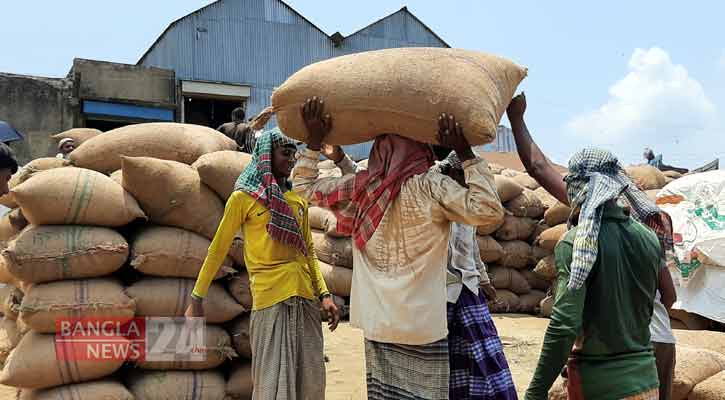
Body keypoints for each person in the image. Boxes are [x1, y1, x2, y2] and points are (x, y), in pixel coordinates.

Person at [293, 97, 504, 400]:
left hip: (378, 322)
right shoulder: (430, 187)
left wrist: (313, 143)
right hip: (422, 324)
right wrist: (466, 153)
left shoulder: (362, 188)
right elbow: (488, 209)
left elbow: (302, 188)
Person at [507, 93, 677, 400]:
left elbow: (564, 325)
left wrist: (534, 393)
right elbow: (670, 295)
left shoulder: (577, 242)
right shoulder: (648, 236)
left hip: (601, 385)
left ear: (579, 186)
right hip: (645, 378)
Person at [185, 128, 340, 400]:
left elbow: (308, 253)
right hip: (270, 300)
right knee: (272, 384)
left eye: (294, 153)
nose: (291, 159)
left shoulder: (296, 201)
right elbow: (218, 249)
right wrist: (197, 298)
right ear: (267, 156)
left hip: (304, 299)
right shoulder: (244, 198)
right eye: (285, 153)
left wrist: (324, 294)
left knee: (311, 381)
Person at [438, 151, 519, 400]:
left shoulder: (469, 206)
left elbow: (471, 247)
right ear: (452, 173)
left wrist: (484, 280)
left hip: (469, 291)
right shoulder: (435, 199)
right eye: (465, 176)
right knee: (448, 360)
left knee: (485, 355)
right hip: (441, 295)